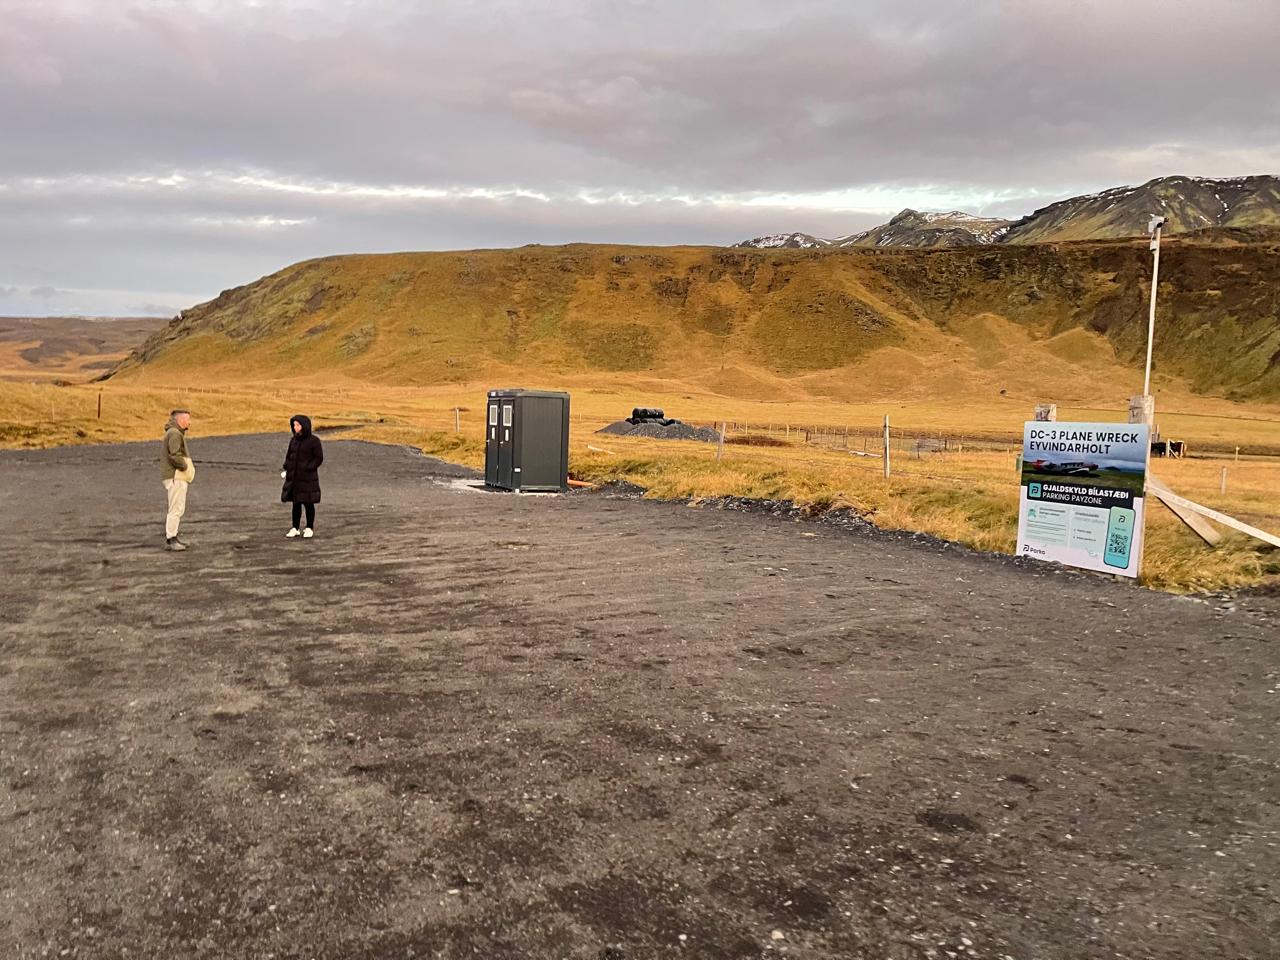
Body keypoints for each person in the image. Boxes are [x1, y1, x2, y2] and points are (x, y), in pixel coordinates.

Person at [281, 414, 323, 539]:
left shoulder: (314, 441)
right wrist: (287, 466)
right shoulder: (293, 440)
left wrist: (308, 467)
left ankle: (309, 527)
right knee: (296, 503)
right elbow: (289, 455)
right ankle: (295, 528)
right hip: (294, 478)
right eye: (294, 425)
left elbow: (318, 458)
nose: (295, 427)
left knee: (308, 503)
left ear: (304, 426)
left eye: (298, 425)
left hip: (308, 479)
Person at [160, 409, 195, 551]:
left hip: (175, 476)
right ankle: (171, 539)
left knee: (177, 507)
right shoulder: (175, 433)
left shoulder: (174, 433)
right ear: (180, 420)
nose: (189, 422)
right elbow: (174, 455)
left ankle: (173, 536)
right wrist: (184, 466)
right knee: (176, 508)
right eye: (187, 419)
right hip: (176, 476)